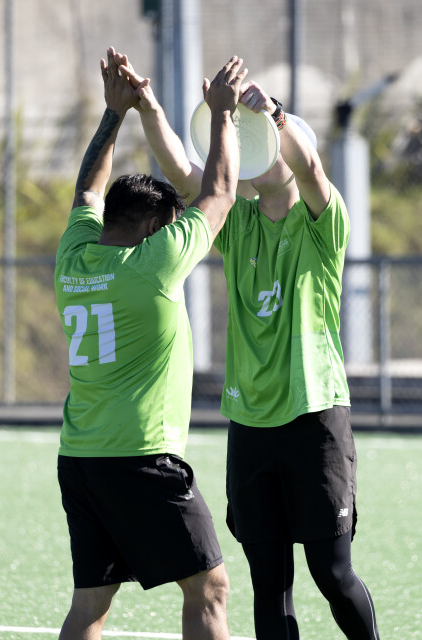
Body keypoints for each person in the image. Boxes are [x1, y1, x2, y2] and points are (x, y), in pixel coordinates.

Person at [116, 53, 381, 640]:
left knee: (332, 573)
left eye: (269, 144)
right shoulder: (237, 223)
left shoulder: (322, 222)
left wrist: (275, 115)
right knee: (269, 581)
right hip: (251, 424)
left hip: (314, 417)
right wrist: (148, 107)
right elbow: (183, 170)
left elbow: (312, 167)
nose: (260, 154)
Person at [54, 46, 248, 640]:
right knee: (209, 588)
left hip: (80, 458)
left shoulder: (73, 257)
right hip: (141, 457)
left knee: (91, 603)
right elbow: (220, 192)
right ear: (149, 228)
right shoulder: (153, 265)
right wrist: (222, 114)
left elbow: (88, 190)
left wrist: (115, 113)